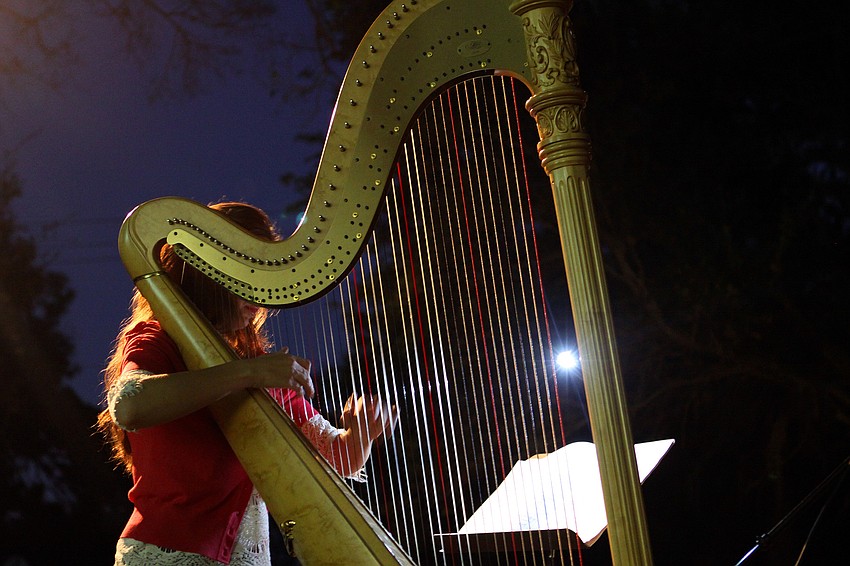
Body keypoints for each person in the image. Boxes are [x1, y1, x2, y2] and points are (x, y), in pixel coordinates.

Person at [97, 201, 397, 565]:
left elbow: (336, 458)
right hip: (165, 553)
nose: (258, 300)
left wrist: (360, 434)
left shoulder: (257, 365)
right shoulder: (156, 339)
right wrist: (248, 374)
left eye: (261, 282)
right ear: (209, 275)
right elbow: (130, 405)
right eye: (245, 280)